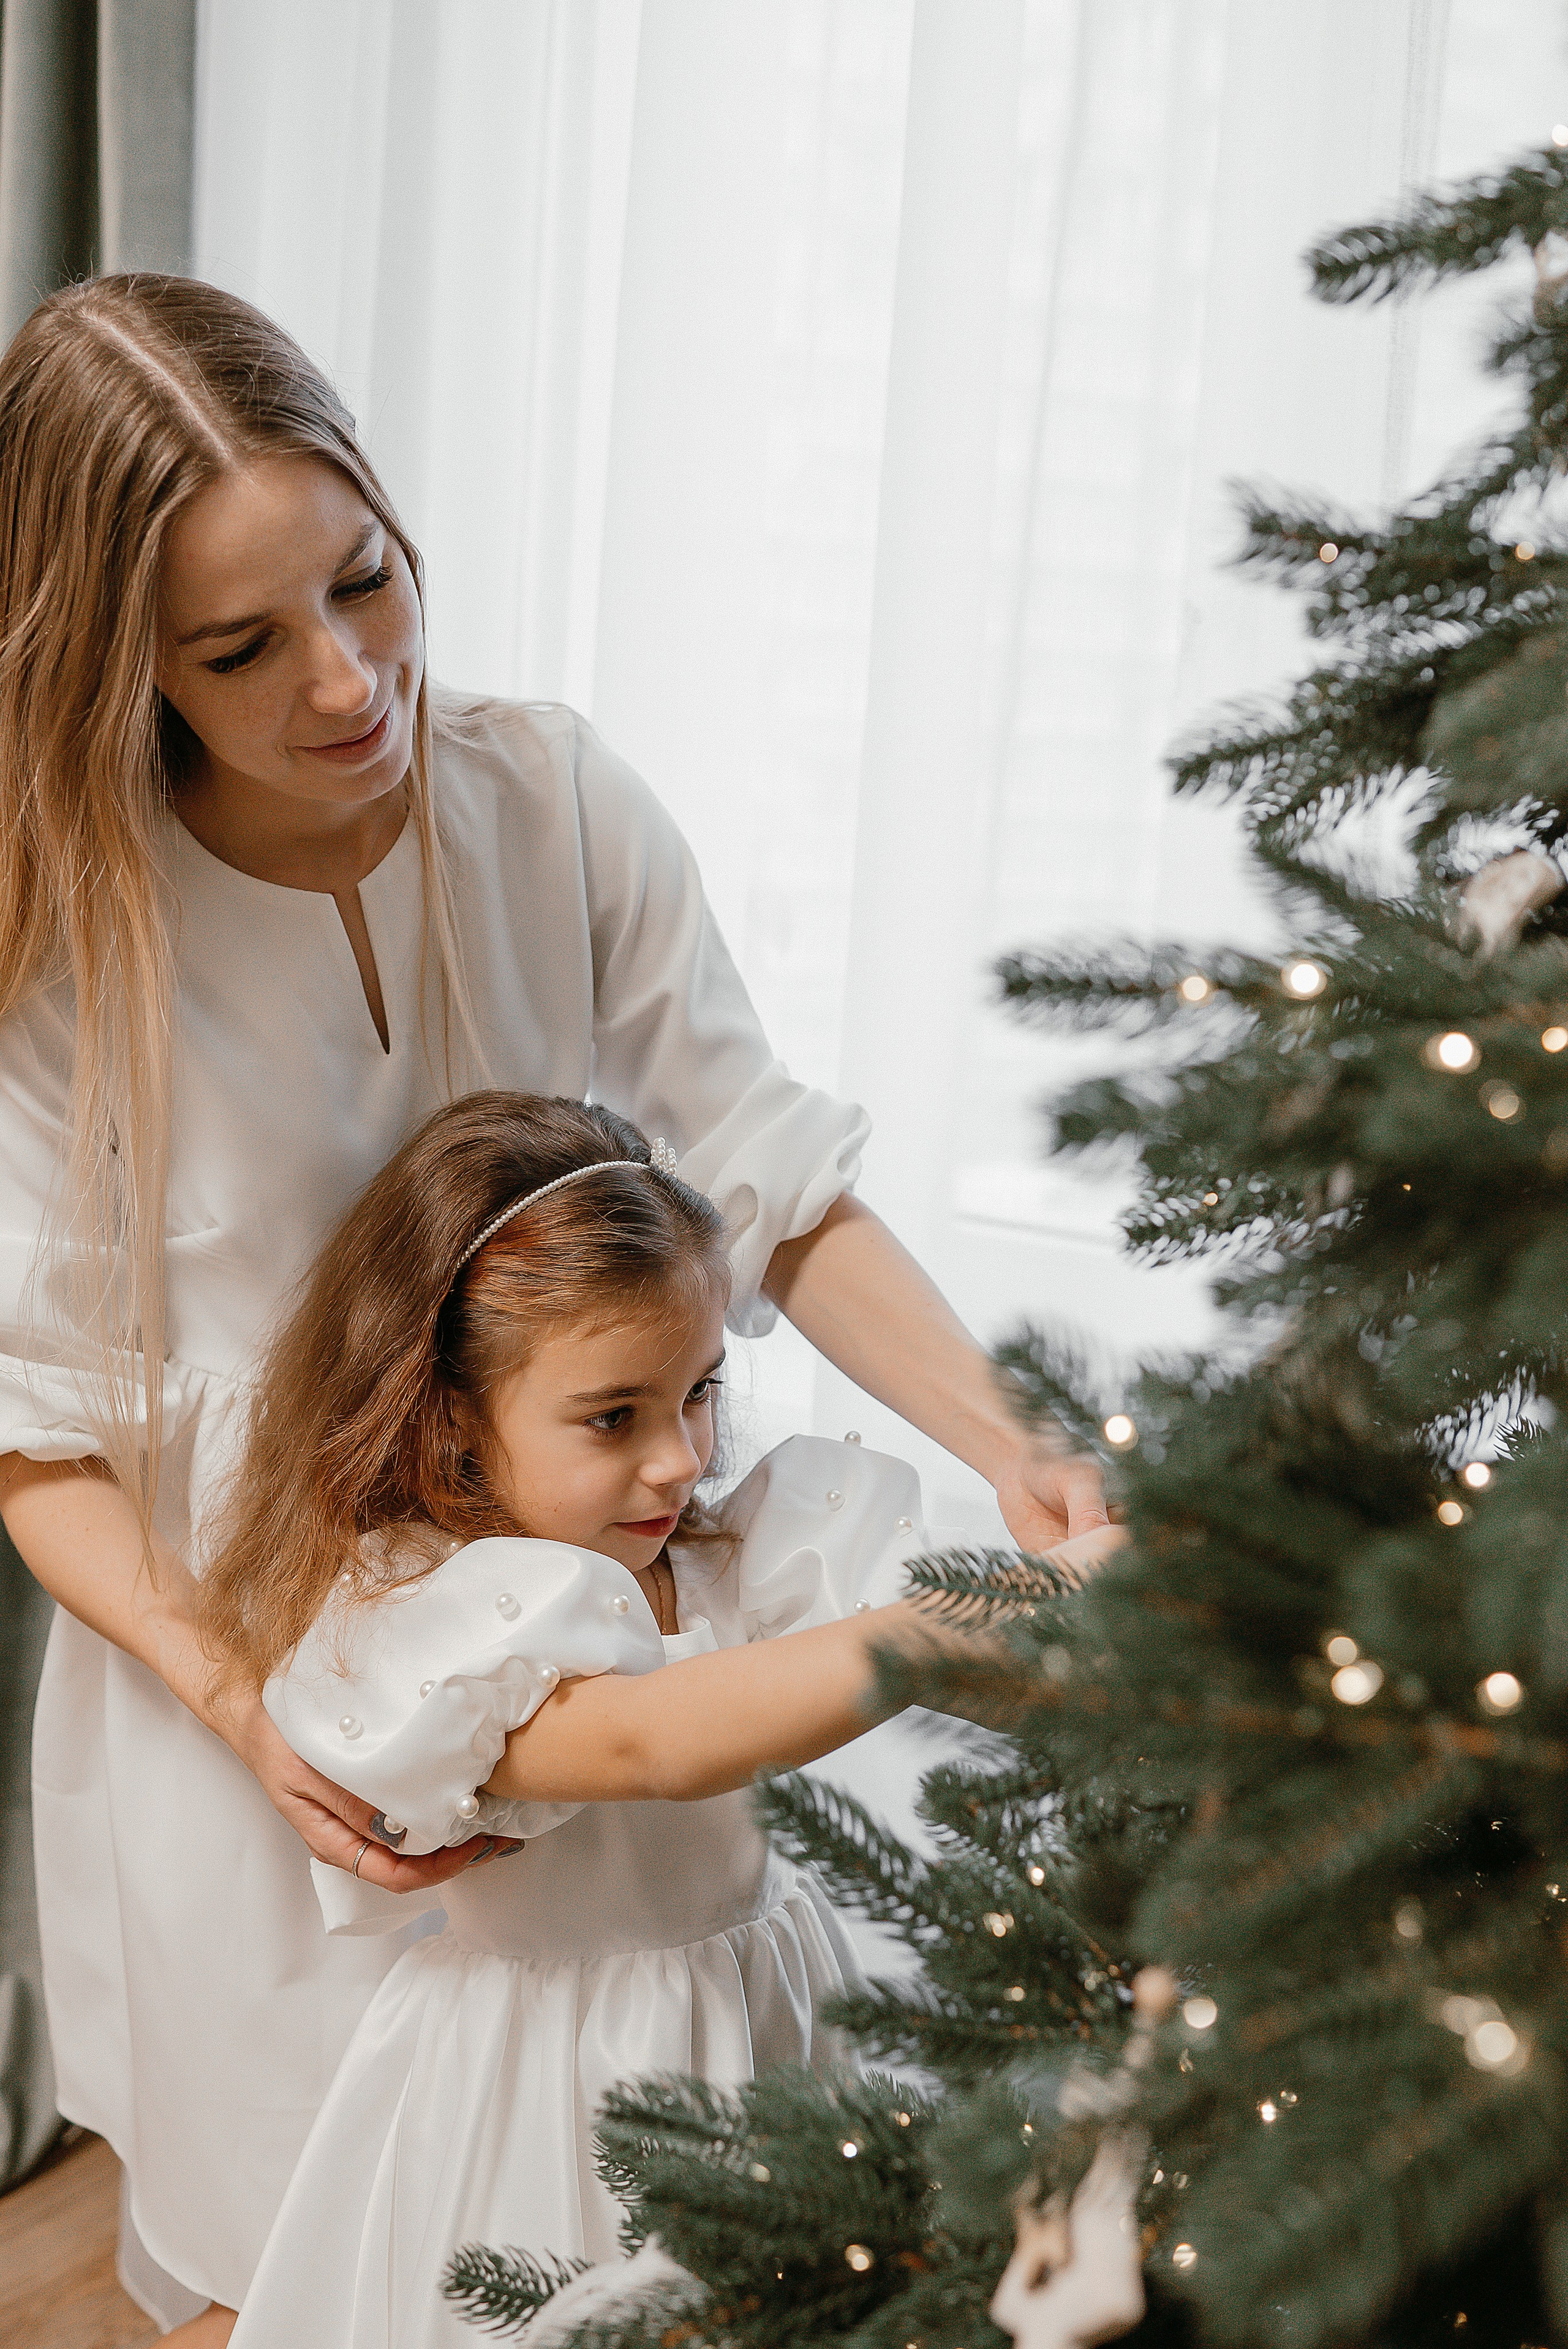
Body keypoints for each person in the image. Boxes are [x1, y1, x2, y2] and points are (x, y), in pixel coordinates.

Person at [0, 275, 1105, 2343]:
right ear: (116, 662)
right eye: (241, 649)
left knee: (649, 2243)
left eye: (367, 582)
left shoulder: (556, 800)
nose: (346, 684)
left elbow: (771, 1182)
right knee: (324, 2266)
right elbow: (37, 1435)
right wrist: (259, 1721)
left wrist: (1015, 1448)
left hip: (605, 1632)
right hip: (266, 1695)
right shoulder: (72, 943)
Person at [199, 1093, 1112, 2349]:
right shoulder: (442, 1619)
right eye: (613, 1415)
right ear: (450, 1412)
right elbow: (652, 1740)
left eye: (699, 1392)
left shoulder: (735, 1547)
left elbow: (859, 1659)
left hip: (763, 2010)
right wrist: (970, 1617)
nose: (681, 1459)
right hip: (557, 2078)